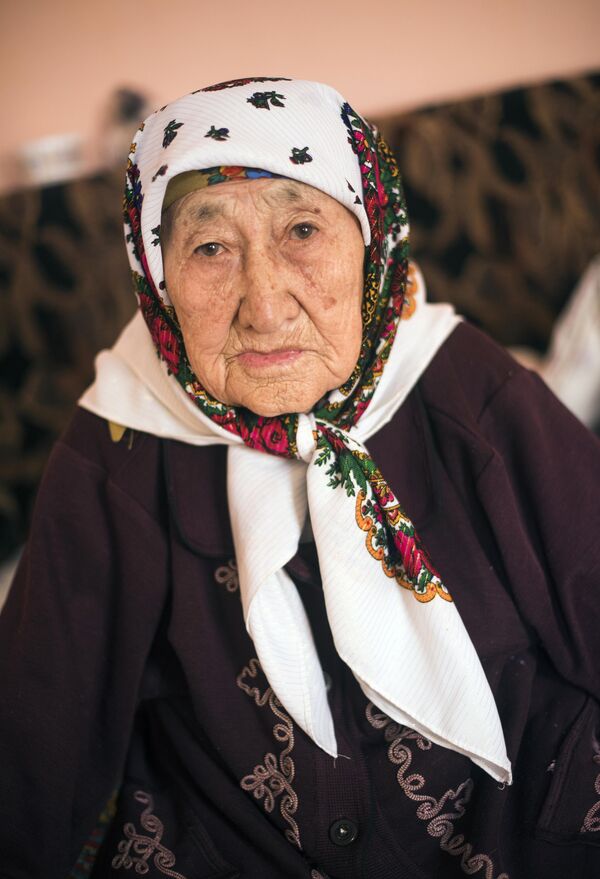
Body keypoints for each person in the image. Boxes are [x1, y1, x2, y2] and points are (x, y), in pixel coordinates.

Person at [1, 77, 599, 879]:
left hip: (523, 827)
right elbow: (34, 743)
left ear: (371, 242)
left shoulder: (467, 385)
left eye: (303, 230)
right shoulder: (118, 440)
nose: (265, 306)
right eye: (210, 248)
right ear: (157, 276)